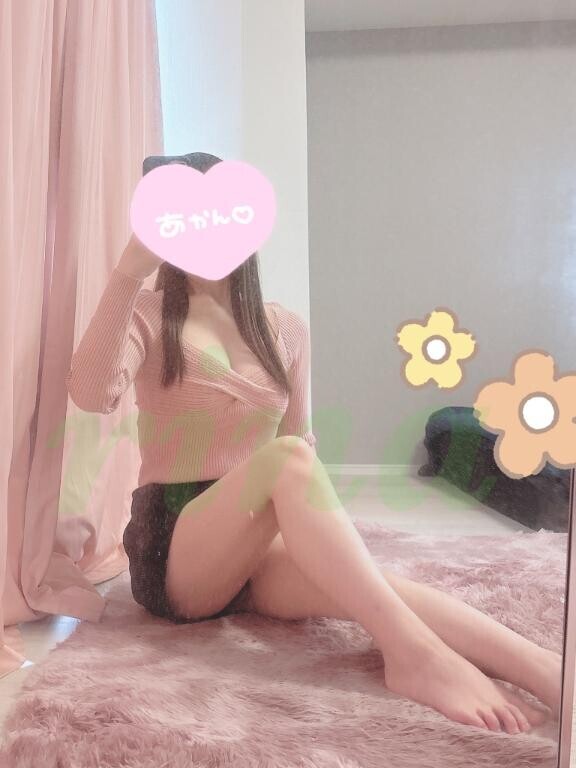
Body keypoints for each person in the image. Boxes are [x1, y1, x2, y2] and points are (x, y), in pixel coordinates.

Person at [65, 152, 561, 735]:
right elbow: (92, 393)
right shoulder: (148, 317)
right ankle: (415, 657)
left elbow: (296, 439)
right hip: (175, 547)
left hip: (252, 546)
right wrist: (129, 270)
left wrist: (324, 542)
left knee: (380, 591)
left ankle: (549, 671)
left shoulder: (284, 328)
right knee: (290, 461)